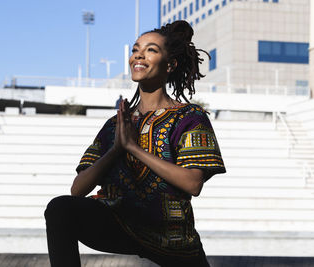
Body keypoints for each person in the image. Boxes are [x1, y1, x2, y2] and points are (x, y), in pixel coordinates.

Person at [45, 20, 226, 267]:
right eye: (135, 49)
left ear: (170, 64)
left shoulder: (190, 117)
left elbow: (193, 183)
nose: (139, 55)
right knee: (60, 209)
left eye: (151, 49)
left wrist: (133, 148)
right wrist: (117, 149)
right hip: (119, 222)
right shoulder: (115, 124)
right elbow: (77, 190)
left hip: (171, 236)